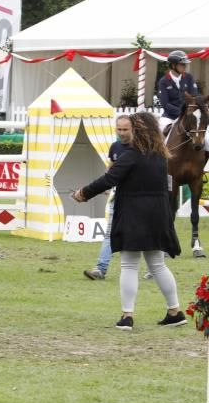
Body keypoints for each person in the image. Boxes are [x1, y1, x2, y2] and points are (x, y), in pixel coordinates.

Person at [72, 111, 186, 330]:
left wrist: (83, 193)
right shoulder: (161, 156)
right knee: (158, 265)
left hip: (135, 214)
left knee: (129, 264)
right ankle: (175, 311)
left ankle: (127, 316)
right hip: (158, 214)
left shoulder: (132, 155)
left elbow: (109, 179)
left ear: (138, 130)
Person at [84, 115, 132, 280]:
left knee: (143, 236)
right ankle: (100, 269)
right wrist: (107, 185)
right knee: (109, 234)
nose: (122, 133)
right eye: (119, 129)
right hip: (118, 198)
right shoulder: (115, 147)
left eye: (125, 129)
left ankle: (154, 269)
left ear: (133, 129)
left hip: (136, 200)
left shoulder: (139, 148)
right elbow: (110, 169)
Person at [157, 50, 200, 132]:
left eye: (185, 64)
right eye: (182, 64)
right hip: (170, 117)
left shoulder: (189, 77)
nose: (185, 67)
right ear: (173, 65)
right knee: (162, 130)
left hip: (189, 115)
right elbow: (165, 104)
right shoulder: (164, 81)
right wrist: (181, 112)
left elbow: (194, 95)